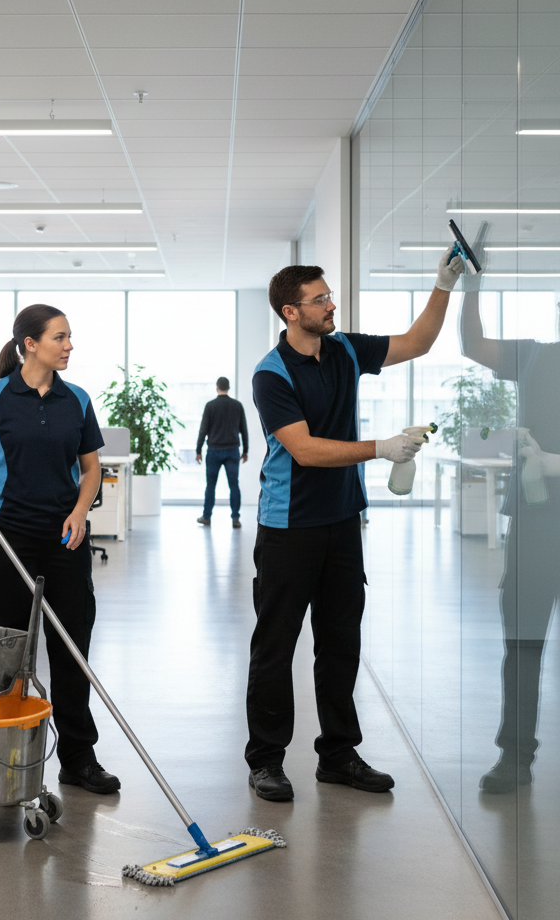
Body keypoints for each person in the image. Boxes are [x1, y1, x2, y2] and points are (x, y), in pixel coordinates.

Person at [245, 249, 464, 802]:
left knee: (341, 641)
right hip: (289, 527)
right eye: (319, 299)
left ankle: (338, 755)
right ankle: (266, 760)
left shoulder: (342, 348)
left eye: (329, 295)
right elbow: (303, 450)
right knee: (276, 644)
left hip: (342, 521)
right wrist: (380, 449)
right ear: (291, 313)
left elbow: (417, 344)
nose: (330, 304)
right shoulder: (271, 375)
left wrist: (443, 284)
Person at [0, 304, 120, 794]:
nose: (69, 345)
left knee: (71, 648)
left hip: (64, 539)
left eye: (70, 337)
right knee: (7, 654)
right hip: (8, 538)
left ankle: (78, 759)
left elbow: (91, 469)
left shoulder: (77, 400)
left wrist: (81, 512)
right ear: (30, 343)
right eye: (60, 337)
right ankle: (2, 752)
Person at [459, 281, 560, 793]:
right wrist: (470, 286)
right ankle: (515, 757)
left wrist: (555, 463)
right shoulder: (537, 358)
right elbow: (473, 345)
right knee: (522, 643)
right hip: (538, 527)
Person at [195, 376, 249, 528]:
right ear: (228, 387)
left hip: (214, 451)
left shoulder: (210, 406)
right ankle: (235, 518)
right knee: (234, 485)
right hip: (232, 451)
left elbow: (203, 430)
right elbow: (243, 429)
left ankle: (206, 517)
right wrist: (245, 450)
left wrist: (198, 450)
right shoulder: (237, 406)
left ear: (217, 387)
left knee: (210, 485)